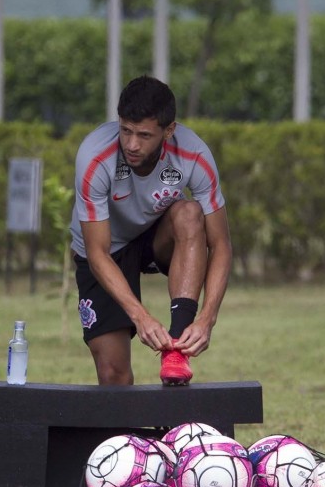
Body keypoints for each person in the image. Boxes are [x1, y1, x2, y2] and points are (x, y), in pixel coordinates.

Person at [69, 75, 232, 386]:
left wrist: (207, 320)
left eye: (144, 135)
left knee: (189, 212)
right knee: (113, 374)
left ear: (169, 131)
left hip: (156, 236)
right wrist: (140, 317)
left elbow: (221, 244)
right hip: (107, 247)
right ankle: (124, 435)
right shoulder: (94, 157)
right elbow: (96, 252)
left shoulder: (194, 155)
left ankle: (177, 351)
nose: (132, 144)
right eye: (126, 130)